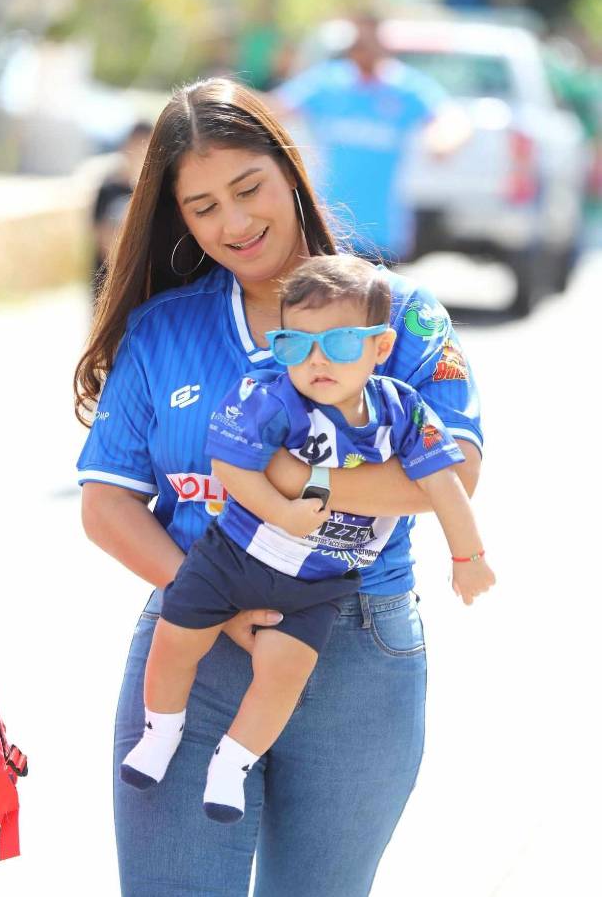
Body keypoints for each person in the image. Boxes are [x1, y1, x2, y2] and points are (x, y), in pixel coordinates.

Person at [74, 77, 484, 896]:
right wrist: (218, 604)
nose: (233, 222)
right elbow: (106, 504)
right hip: (193, 643)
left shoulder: (402, 316)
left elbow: (453, 475)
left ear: (289, 170)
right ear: (178, 218)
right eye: (201, 206)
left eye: (248, 188)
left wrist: (293, 481)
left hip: (358, 650)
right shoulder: (164, 330)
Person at [119, 254, 495, 826]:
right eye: (297, 345)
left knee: (284, 675)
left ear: (381, 347)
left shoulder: (405, 412)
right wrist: (279, 510)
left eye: (341, 343)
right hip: (234, 557)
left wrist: (468, 556)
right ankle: (160, 730)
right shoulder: (272, 397)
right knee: (174, 638)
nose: (317, 360)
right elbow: (230, 461)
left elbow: (444, 483)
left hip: (321, 580)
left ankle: (233, 763)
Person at [272, 13, 470, 262]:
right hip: (329, 229)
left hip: (381, 234)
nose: (361, 50)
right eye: (356, 44)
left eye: (367, 42)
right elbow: (273, 108)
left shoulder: (405, 87)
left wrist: (443, 140)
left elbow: (451, 119)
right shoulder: (327, 82)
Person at [90, 121, 153, 301]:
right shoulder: (109, 188)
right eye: (136, 145)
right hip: (106, 285)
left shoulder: (151, 193)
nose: (140, 152)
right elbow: (100, 236)